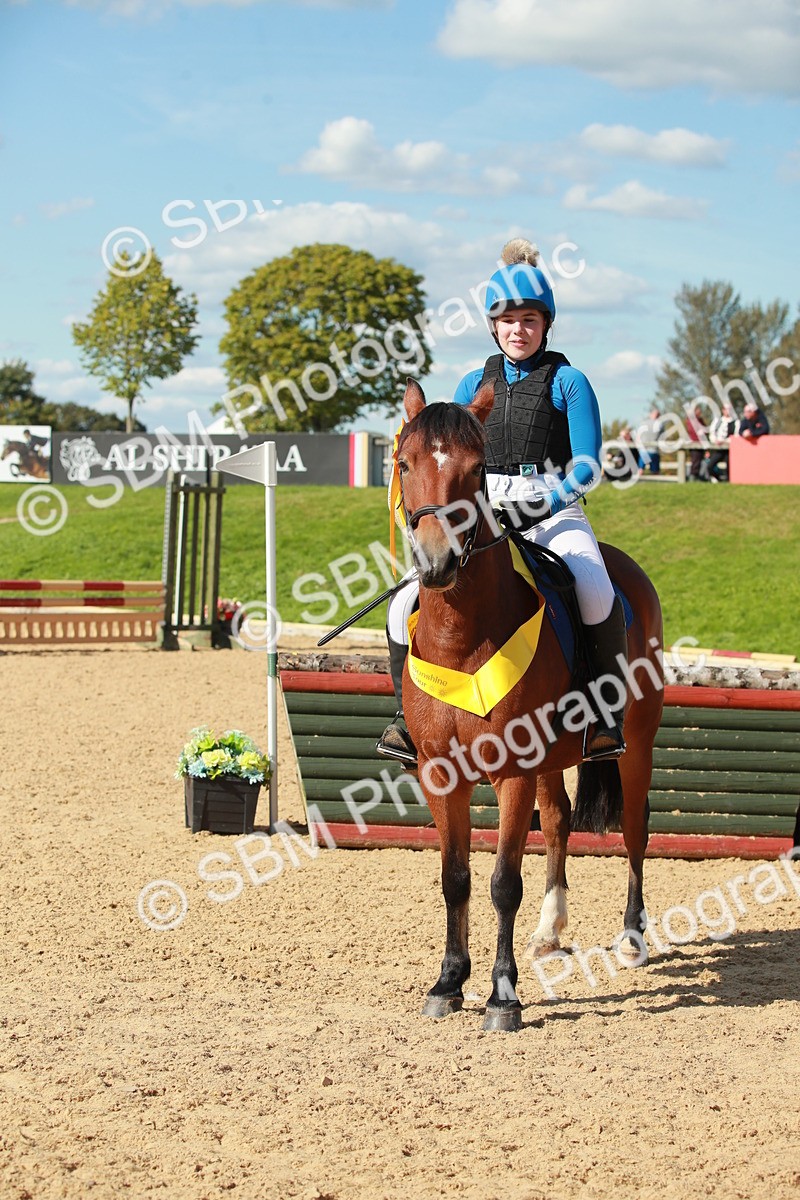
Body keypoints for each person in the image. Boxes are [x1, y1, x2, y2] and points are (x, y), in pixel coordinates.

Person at [377, 238, 628, 767]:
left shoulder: (569, 381)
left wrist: (542, 504)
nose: (519, 329)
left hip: (553, 511)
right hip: (480, 513)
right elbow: (447, 457)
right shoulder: (472, 383)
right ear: (493, 325)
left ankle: (604, 718)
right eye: (509, 319)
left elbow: (587, 464)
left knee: (595, 589)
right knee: (404, 605)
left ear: (546, 324)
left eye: (530, 319)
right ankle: (406, 717)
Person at [706, 402, 738, 482]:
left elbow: (736, 436)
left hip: (729, 449)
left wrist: (724, 441)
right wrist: (715, 440)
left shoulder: (736, 422)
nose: (728, 411)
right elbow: (712, 433)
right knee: (710, 466)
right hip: (718, 449)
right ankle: (718, 479)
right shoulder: (717, 421)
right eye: (726, 409)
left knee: (729, 466)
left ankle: (728, 481)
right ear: (723, 410)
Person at [684, 404, 709, 481]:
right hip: (694, 443)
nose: (699, 412)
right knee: (695, 460)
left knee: (700, 460)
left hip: (701, 443)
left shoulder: (700, 420)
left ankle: (697, 476)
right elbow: (693, 431)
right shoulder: (690, 420)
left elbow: (705, 430)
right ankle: (693, 476)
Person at [638, 406, 666, 475]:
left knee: (641, 469)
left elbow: (638, 436)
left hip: (643, 450)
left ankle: (638, 483)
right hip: (653, 450)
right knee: (655, 470)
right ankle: (656, 483)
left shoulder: (643, 423)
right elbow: (662, 437)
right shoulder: (660, 424)